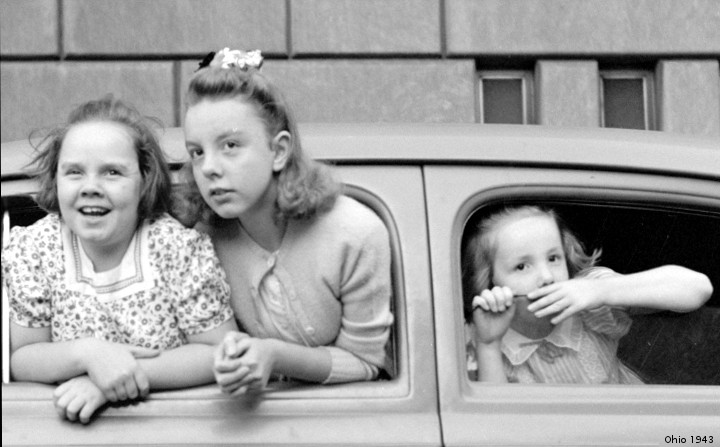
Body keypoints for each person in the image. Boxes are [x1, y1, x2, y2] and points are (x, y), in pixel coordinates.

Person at [2, 96, 238, 424]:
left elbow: (218, 351)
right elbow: (24, 358)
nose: (91, 187)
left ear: (144, 181)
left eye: (112, 172)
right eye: (74, 172)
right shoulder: (35, 249)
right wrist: (89, 354)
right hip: (66, 431)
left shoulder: (176, 248)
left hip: (170, 427)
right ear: (56, 179)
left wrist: (112, 380)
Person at [181, 48, 394, 396]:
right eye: (197, 152)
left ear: (279, 151)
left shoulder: (355, 234)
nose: (209, 168)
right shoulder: (201, 244)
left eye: (230, 145)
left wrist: (275, 356)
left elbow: (366, 362)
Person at [463, 205, 712, 383]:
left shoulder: (588, 299)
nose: (547, 276)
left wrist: (600, 290)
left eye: (553, 258)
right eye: (521, 266)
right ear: (489, 282)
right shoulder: (483, 334)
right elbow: (496, 426)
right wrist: (488, 346)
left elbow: (699, 288)